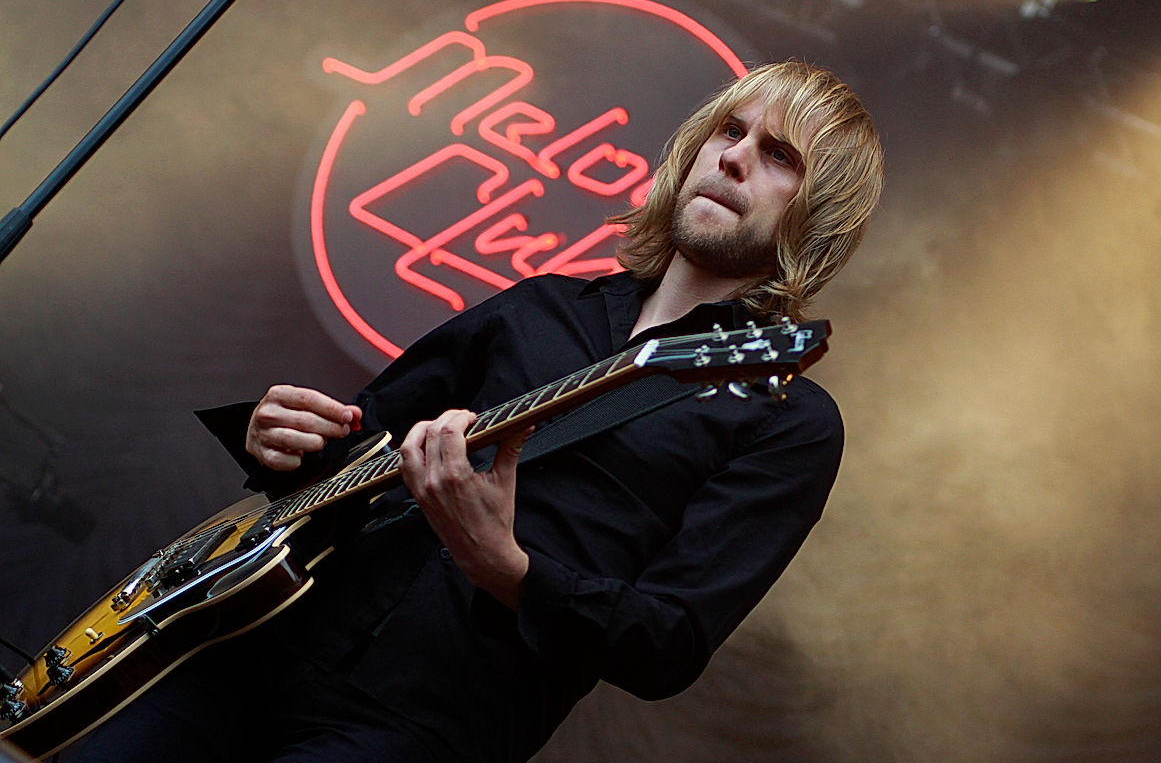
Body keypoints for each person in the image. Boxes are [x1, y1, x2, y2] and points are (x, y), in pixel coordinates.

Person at [75, 60, 883, 763]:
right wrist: (279, 441)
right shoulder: (541, 306)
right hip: (261, 646)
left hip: (424, 724)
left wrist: (504, 565)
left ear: (820, 214)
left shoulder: (787, 418)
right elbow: (356, 450)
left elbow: (666, 643)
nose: (735, 157)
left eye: (779, 156)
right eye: (730, 131)